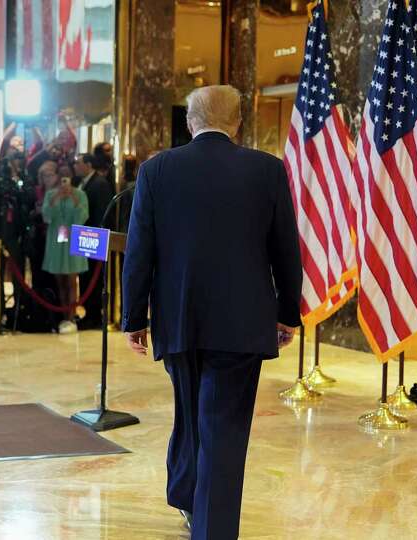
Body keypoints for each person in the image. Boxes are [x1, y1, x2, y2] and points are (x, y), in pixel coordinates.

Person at [121, 85, 302, 540]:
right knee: (221, 423)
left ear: (189, 122)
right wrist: (287, 313)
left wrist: (134, 318)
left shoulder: (156, 170)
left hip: (178, 319)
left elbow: (140, 252)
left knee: (190, 408)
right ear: (239, 122)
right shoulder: (267, 170)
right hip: (242, 323)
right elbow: (286, 249)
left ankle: (187, 495)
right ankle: (212, 527)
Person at [41, 168, 88, 334]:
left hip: (73, 239)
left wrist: (73, 198)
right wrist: (55, 199)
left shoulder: (80, 194)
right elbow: (46, 216)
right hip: (56, 240)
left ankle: (71, 316)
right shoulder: (50, 195)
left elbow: (83, 216)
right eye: (62, 178)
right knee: (60, 280)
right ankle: (63, 315)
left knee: (72, 280)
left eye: (67, 178)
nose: (64, 182)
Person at [73, 153, 114, 329]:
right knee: (84, 275)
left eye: (78, 163)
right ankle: (87, 313)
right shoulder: (83, 182)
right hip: (84, 234)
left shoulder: (100, 183)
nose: (76, 167)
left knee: (94, 279)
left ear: (88, 164)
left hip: (94, 236)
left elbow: (103, 213)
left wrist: (97, 234)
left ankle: (94, 316)